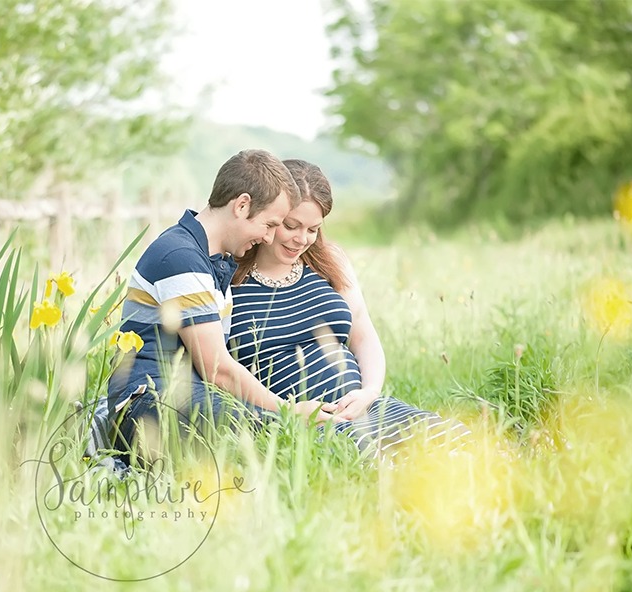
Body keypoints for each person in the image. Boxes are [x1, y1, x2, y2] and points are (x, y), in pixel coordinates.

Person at [87, 150, 335, 470]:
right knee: (272, 436)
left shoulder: (210, 260)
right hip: (148, 401)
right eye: (270, 224)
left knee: (285, 439)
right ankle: (111, 450)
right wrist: (287, 410)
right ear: (242, 205)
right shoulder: (181, 257)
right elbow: (216, 368)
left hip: (188, 397)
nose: (269, 237)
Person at [228, 159, 471, 461]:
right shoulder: (230, 277)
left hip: (362, 408)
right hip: (299, 423)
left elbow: (363, 334)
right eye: (291, 226)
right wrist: (286, 413)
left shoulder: (329, 262)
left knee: (461, 445)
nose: (301, 239)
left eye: (312, 229)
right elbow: (220, 369)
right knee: (386, 469)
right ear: (271, 216)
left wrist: (368, 392)